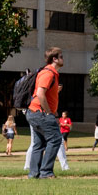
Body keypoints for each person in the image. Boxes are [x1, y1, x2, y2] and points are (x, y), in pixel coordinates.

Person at [26, 46, 65, 179]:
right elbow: (40, 94)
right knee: (55, 139)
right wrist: (49, 113)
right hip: (40, 113)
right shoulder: (48, 73)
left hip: (35, 113)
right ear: (54, 59)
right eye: (61, 56)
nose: (63, 58)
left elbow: (46, 95)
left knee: (39, 144)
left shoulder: (50, 73)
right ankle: (46, 172)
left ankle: (34, 173)